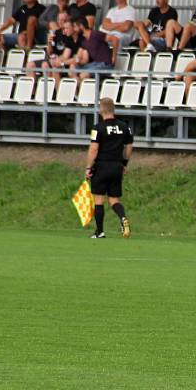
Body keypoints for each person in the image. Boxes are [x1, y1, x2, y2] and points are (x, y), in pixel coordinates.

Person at [85, 97, 133, 240]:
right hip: (117, 166)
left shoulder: (98, 128)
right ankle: (123, 218)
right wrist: (124, 163)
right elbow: (129, 147)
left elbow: (94, 149)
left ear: (101, 110)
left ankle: (100, 231)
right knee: (114, 200)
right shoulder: (125, 127)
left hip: (101, 166)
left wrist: (88, 167)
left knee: (99, 199)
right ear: (113, 109)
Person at [32, 14, 80, 86]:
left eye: (63, 20)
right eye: (59, 20)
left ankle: (54, 93)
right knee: (30, 65)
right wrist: (49, 43)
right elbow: (49, 52)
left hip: (63, 62)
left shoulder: (70, 36)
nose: (61, 22)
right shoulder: (55, 33)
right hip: (54, 59)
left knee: (47, 66)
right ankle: (34, 93)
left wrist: (59, 61)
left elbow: (68, 56)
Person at [100, 0, 137, 64]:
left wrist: (111, 26)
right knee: (96, 40)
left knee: (117, 40)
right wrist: (120, 24)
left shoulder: (130, 10)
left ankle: (116, 64)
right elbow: (104, 25)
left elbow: (126, 27)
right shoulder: (112, 10)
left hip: (123, 37)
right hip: (109, 36)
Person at [73, 16, 113, 81]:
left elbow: (115, 39)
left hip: (105, 64)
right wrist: (76, 60)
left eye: (75, 27)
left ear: (81, 26)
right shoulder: (84, 40)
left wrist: (114, 56)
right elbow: (79, 56)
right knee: (73, 69)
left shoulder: (95, 34)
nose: (74, 29)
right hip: (95, 64)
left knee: (83, 75)